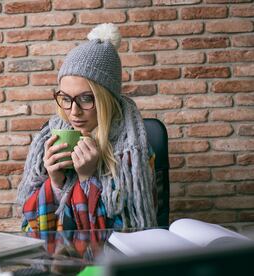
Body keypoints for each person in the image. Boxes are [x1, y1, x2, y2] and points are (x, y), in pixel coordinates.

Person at [17, 23, 158, 232]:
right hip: (56, 261)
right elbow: (30, 230)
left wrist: (86, 178)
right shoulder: (47, 140)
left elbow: (125, 233)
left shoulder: (134, 152)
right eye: (65, 98)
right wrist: (55, 183)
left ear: (106, 100)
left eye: (86, 98)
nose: (73, 111)